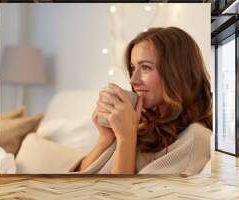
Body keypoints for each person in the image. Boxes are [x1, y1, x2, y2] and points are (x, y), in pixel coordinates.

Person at [73, 27, 213, 175]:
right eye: (133, 67)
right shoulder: (141, 124)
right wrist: (105, 139)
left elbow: (123, 196)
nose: (133, 80)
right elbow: (76, 176)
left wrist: (126, 139)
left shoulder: (196, 139)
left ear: (177, 73)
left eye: (146, 67)